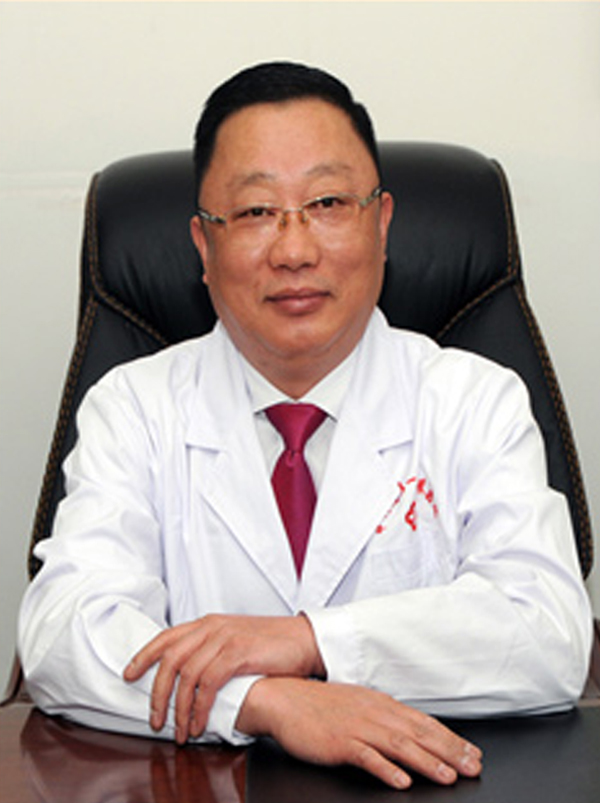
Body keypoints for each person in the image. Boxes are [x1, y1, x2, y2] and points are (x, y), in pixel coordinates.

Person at [18, 61, 592, 791]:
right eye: (256, 211)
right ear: (203, 246)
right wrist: (264, 702)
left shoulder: (473, 399)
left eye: (326, 202)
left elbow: (548, 632)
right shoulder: (134, 406)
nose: (294, 251)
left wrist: (310, 641)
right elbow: (64, 632)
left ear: (381, 223)